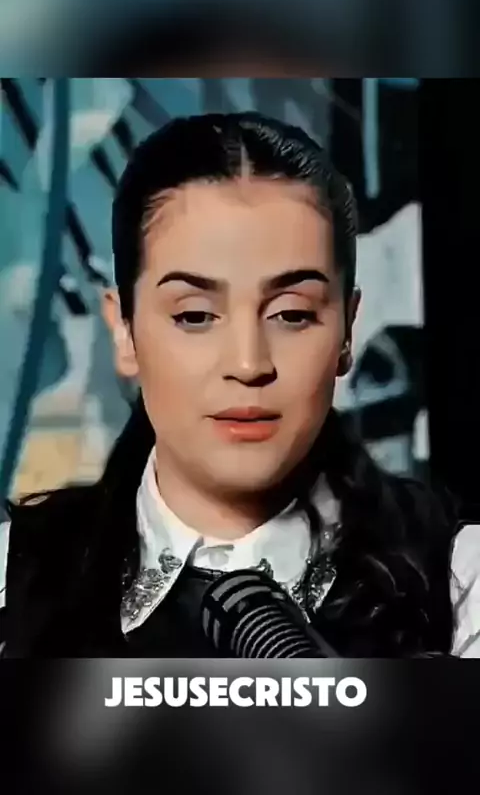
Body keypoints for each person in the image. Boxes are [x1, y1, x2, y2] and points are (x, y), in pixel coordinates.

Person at [0, 111, 478, 658]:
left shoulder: (460, 586)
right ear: (125, 331)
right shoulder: (12, 580)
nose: (249, 364)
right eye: (195, 316)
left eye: (292, 314)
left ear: (347, 330)